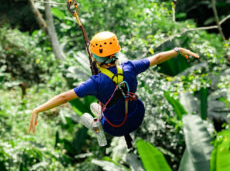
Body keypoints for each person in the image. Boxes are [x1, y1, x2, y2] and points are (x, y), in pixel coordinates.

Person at [28, 31, 199, 140]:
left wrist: (38, 109)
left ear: (94, 58)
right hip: (136, 117)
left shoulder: (96, 82)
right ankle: (101, 114)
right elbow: (158, 58)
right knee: (102, 104)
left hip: (114, 127)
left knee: (90, 111)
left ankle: (97, 125)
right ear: (117, 52)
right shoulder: (131, 68)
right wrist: (177, 50)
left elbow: (64, 97)